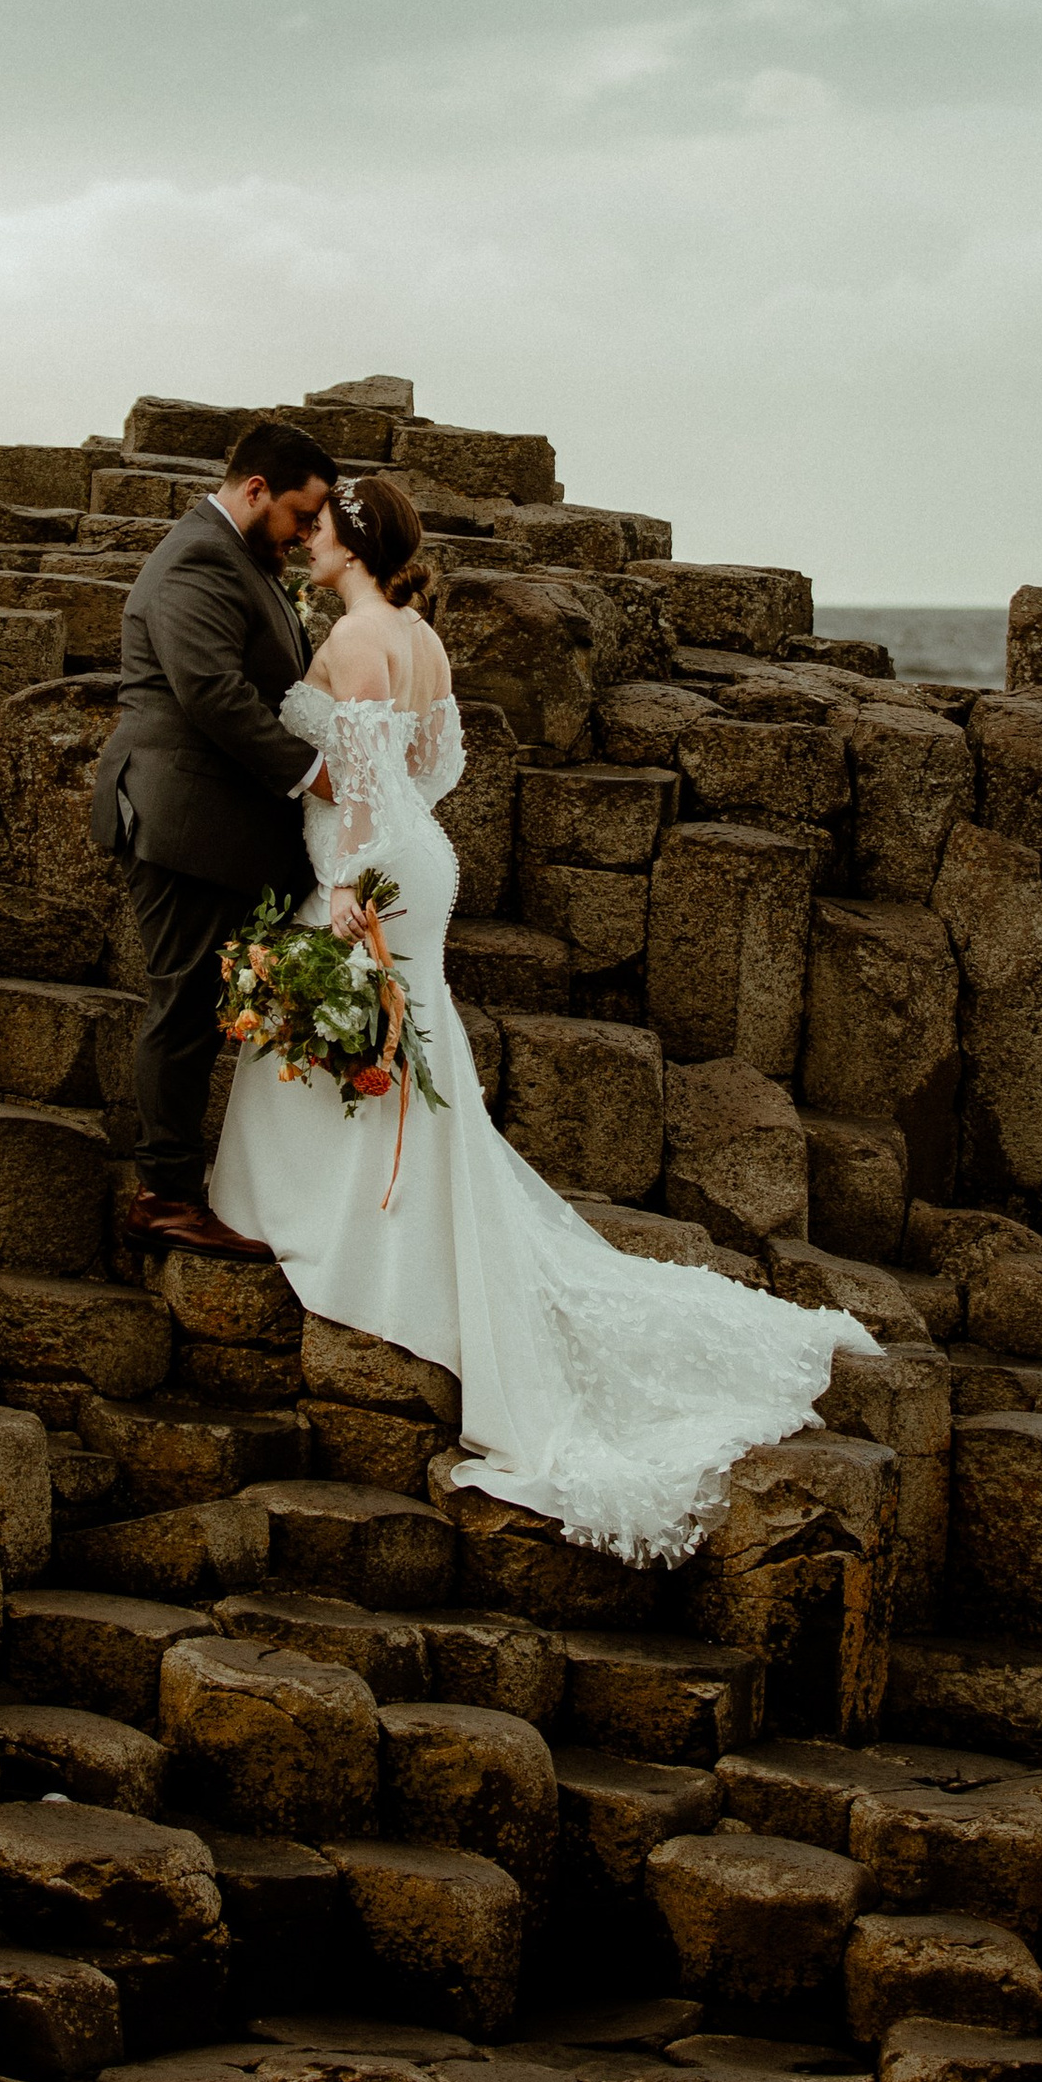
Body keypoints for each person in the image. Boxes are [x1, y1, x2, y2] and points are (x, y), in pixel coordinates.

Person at [207, 469, 879, 1562]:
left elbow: (364, 784)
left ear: (356, 544)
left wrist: (344, 886)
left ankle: (366, 1244)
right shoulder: (420, 637)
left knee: (351, 1030)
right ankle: (394, 1224)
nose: (308, 541)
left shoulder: (359, 639)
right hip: (421, 856)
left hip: (373, 870)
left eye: (321, 530)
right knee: (405, 1042)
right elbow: (437, 765)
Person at [91, 414, 343, 1256]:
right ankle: (165, 1196)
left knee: (204, 1003)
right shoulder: (198, 557)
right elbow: (210, 690)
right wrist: (315, 774)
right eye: (301, 515)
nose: (306, 533)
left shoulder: (244, 558)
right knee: (186, 1006)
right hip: (182, 821)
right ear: (256, 488)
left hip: (216, 827)